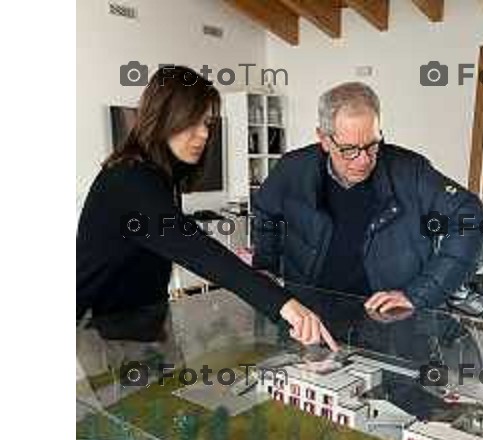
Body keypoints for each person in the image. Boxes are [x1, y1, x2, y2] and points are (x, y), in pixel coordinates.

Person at [77, 66, 337, 351]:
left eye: (207, 123)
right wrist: (283, 304)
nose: (203, 134)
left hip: (142, 325)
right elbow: (196, 249)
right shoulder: (129, 179)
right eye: (192, 122)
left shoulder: (160, 176)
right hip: (101, 332)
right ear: (163, 117)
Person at [252, 82, 483, 315]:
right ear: (323, 139)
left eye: (373, 145)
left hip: (389, 322)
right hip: (309, 316)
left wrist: (421, 293)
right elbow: (266, 211)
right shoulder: (292, 169)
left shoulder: (411, 171)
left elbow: (472, 219)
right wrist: (266, 267)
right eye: (349, 150)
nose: (364, 160)